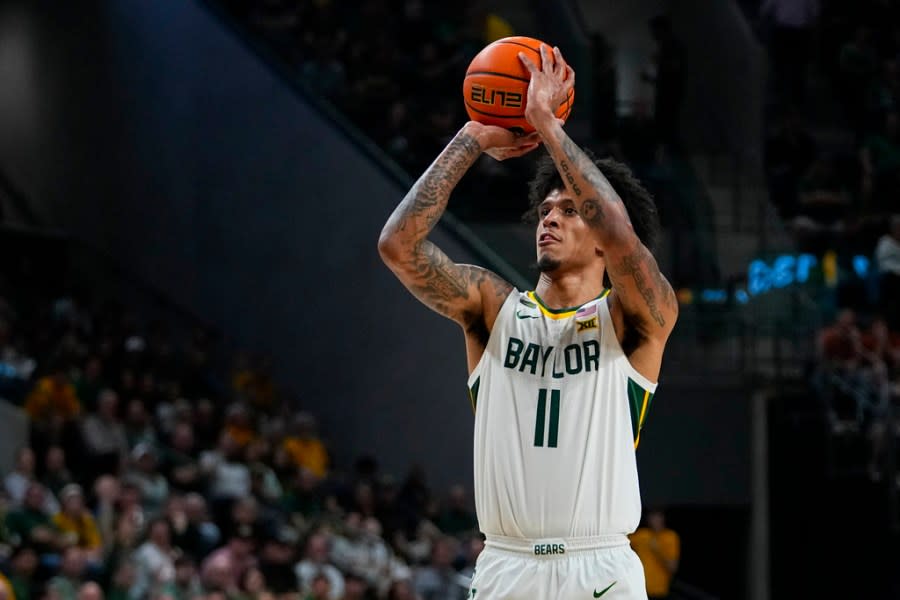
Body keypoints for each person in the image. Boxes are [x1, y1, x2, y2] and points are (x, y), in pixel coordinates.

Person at [379, 45, 678, 600]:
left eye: (568, 211)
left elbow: (619, 233)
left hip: (600, 566)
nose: (550, 219)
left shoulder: (633, 319)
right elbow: (397, 245)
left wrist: (547, 123)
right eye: (545, 210)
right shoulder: (492, 309)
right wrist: (471, 138)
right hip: (505, 566)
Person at [628, 507, 680, 599]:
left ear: (663, 518)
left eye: (658, 516)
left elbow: (672, 568)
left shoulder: (670, 537)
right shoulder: (642, 535)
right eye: (652, 516)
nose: (655, 520)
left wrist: (658, 550)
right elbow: (622, 544)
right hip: (640, 591)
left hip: (659, 592)